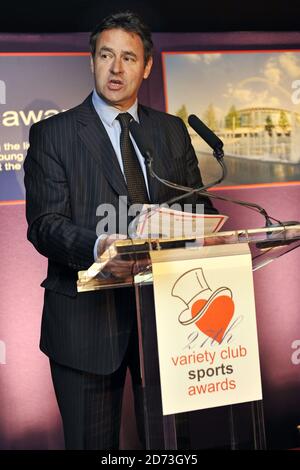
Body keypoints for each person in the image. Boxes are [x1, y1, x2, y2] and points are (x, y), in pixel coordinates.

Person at [24, 10, 218, 450]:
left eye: (129, 58)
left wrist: (210, 227)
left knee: (174, 446)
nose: (116, 68)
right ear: (91, 61)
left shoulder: (170, 131)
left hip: (170, 321)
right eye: (106, 55)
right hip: (86, 327)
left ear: (146, 67)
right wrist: (98, 245)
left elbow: (194, 205)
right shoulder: (53, 135)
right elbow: (44, 225)